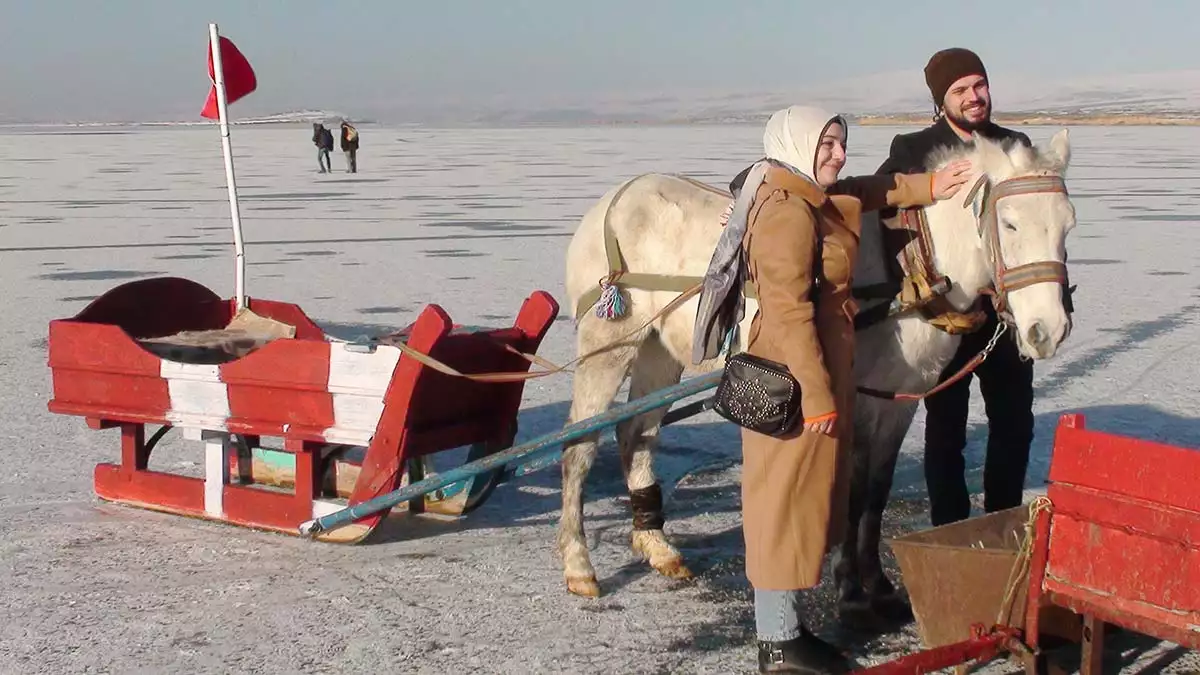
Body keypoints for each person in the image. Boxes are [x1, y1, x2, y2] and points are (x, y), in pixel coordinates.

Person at [698, 105, 970, 673]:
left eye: (842, 143)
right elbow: (789, 313)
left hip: (809, 373)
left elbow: (865, 190)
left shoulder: (805, 194)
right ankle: (777, 644)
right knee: (781, 506)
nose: (838, 155)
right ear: (797, 146)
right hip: (791, 382)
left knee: (797, 504)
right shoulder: (787, 214)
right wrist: (818, 398)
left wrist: (930, 186)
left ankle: (786, 632)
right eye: (826, 146)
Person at [873, 48, 1074, 529]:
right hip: (944, 319)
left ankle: (1003, 520)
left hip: (1006, 316)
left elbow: (1038, 229)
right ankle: (950, 527)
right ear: (941, 100)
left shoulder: (1014, 145)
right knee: (946, 429)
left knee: (1015, 423)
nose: (974, 97)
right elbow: (880, 206)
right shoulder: (913, 148)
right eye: (960, 90)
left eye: (979, 85)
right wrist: (928, 183)